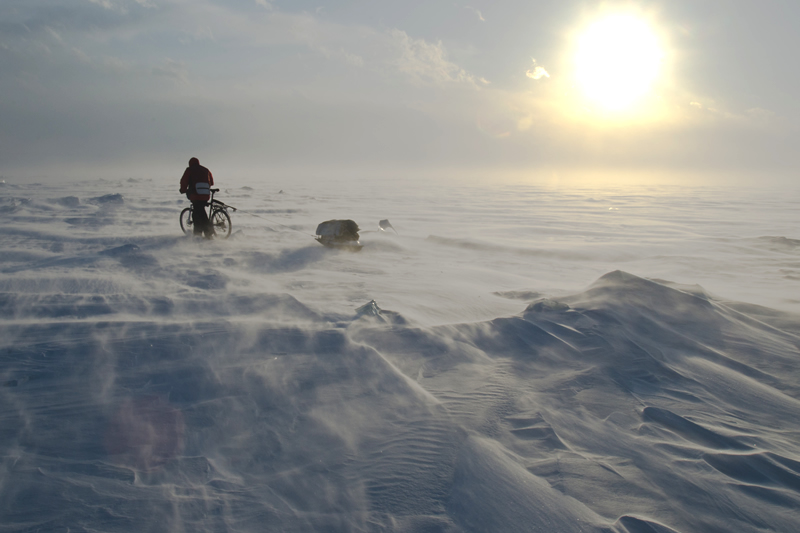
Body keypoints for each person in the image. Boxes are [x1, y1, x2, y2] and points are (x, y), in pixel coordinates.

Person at [179, 157, 215, 238]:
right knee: (200, 211)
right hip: (206, 195)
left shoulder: (189, 170)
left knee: (198, 212)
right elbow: (212, 182)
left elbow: (184, 181)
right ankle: (202, 232)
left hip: (195, 195)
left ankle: (204, 233)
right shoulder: (206, 170)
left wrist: (183, 190)